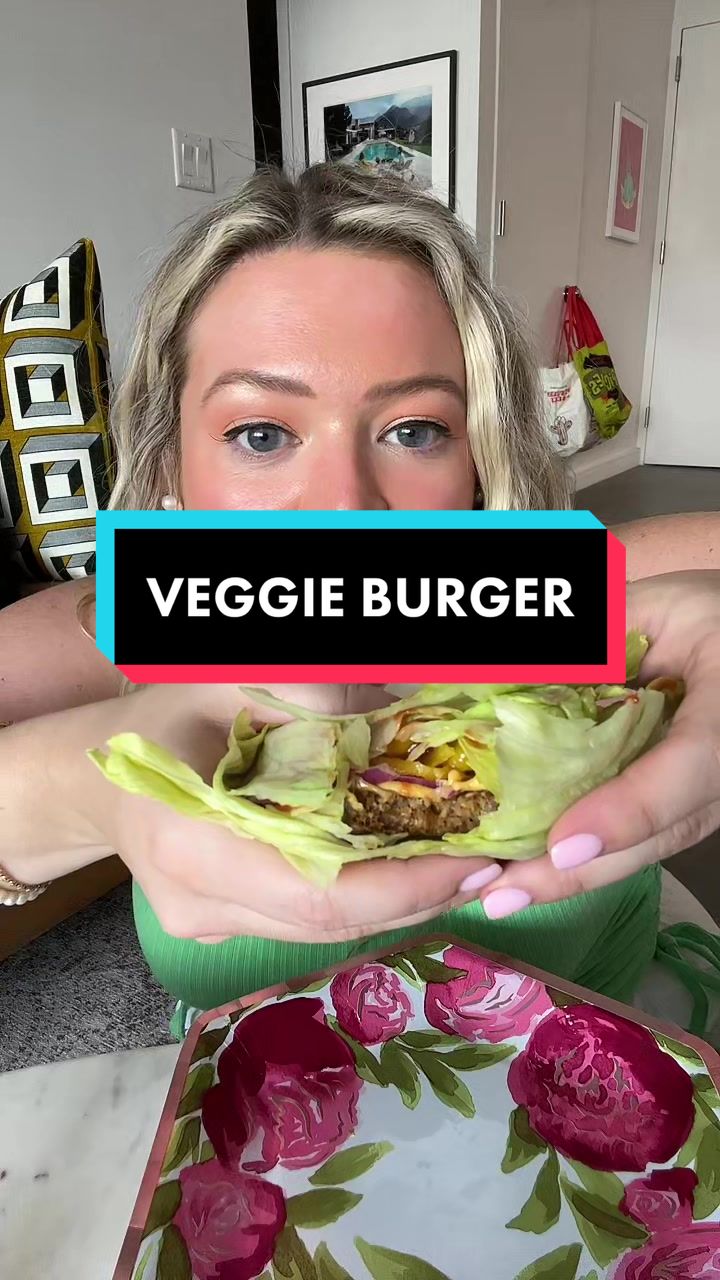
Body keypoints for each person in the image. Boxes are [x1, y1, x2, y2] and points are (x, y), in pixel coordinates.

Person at [1, 164, 719, 1040]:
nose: (345, 508)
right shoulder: (131, 620)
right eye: (260, 434)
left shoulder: (552, 596)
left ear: (478, 461)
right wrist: (83, 790)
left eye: (414, 430)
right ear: (169, 470)